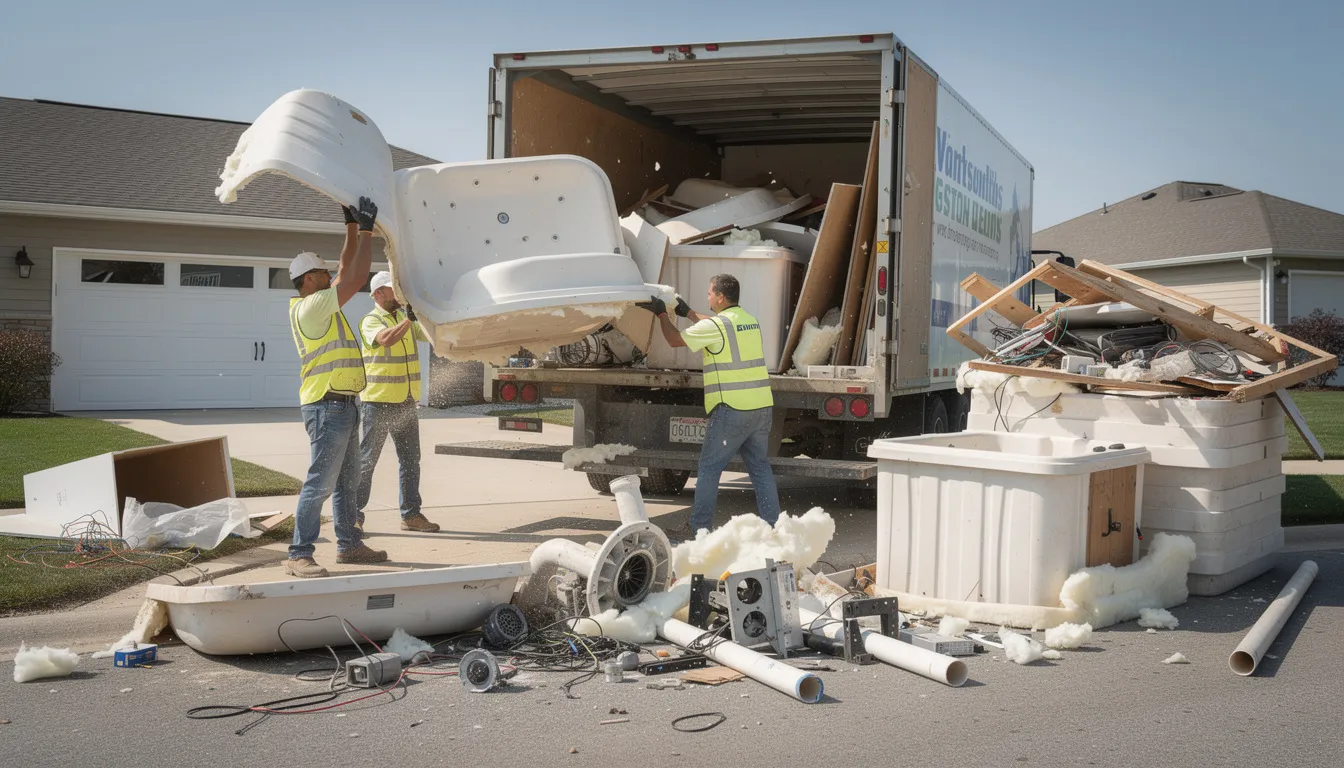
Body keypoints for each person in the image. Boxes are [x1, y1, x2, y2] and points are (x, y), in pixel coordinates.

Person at [284, 197, 389, 578]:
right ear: (309, 279)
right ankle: (299, 553)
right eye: (323, 274)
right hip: (327, 406)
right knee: (321, 482)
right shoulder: (311, 308)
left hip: (343, 404)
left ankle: (349, 545)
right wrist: (366, 231)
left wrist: (349, 226)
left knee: (347, 480)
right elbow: (355, 277)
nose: (331, 277)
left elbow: (346, 269)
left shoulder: (321, 302)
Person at [641, 274, 780, 534]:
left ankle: (700, 529)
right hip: (761, 408)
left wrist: (662, 315)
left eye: (709, 293)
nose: (707, 297)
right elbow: (716, 324)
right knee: (760, 469)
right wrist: (689, 312)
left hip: (733, 409)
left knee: (708, 469)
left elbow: (675, 340)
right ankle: (773, 527)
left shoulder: (717, 327)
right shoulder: (749, 320)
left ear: (720, 297)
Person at [356, 271, 440, 533]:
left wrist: (428, 312)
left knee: (410, 460)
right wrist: (407, 319)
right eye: (393, 290)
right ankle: (353, 517)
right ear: (378, 293)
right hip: (378, 403)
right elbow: (385, 339)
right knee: (367, 461)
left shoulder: (404, 319)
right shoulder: (371, 320)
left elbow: (430, 334)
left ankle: (411, 515)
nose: (398, 294)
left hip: (404, 401)